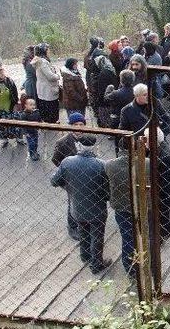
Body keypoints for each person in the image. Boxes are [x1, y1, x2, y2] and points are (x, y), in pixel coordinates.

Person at [51, 135, 112, 274]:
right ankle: (96, 264)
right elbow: (108, 188)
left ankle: (85, 255)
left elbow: (54, 181)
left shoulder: (67, 162)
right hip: (97, 208)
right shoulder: (101, 165)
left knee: (83, 230)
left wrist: (69, 187)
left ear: (78, 146)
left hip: (77, 207)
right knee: (97, 236)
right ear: (94, 147)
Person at [52, 112, 90, 240]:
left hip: (86, 176)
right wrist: (67, 170)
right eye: (75, 124)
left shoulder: (88, 138)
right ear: (70, 126)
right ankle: (72, 226)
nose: (79, 127)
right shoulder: (62, 142)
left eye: (81, 124)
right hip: (71, 179)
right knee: (72, 202)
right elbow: (56, 160)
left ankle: (85, 222)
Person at [105, 146, 136, 278]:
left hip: (121, 207)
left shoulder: (110, 165)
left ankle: (129, 266)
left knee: (127, 236)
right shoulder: (144, 162)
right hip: (139, 205)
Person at [144, 127, 170, 241]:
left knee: (161, 215)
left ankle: (162, 236)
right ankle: (162, 234)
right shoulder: (158, 149)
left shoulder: (165, 156)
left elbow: (166, 181)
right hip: (161, 193)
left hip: (162, 193)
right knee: (161, 216)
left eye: (146, 139)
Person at [31, 43, 60, 123]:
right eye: (47, 49)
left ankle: (48, 121)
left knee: (45, 105)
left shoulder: (39, 60)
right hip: (48, 89)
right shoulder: (43, 62)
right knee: (51, 107)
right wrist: (57, 76)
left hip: (43, 88)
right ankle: (52, 123)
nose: (49, 51)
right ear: (44, 51)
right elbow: (50, 76)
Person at [94, 55, 119, 128]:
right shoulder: (111, 69)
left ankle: (107, 129)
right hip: (112, 94)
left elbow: (102, 88)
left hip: (105, 98)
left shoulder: (103, 72)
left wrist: (101, 98)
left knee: (105, 116)